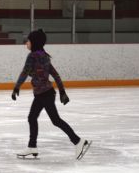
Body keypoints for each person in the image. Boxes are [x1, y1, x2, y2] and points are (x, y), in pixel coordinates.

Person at [12, 29, 90, 160]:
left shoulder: (32, 56)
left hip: (44, 94)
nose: (26, 43)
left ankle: (78, 141)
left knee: (53, 120)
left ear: (34, 42)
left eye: (28, 41)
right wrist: (62, 91)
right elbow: (55, 74)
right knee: (35, 118)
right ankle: (32, 146)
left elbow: (25, 72)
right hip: (46, 93)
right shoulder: (44, 55)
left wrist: (16, 88)